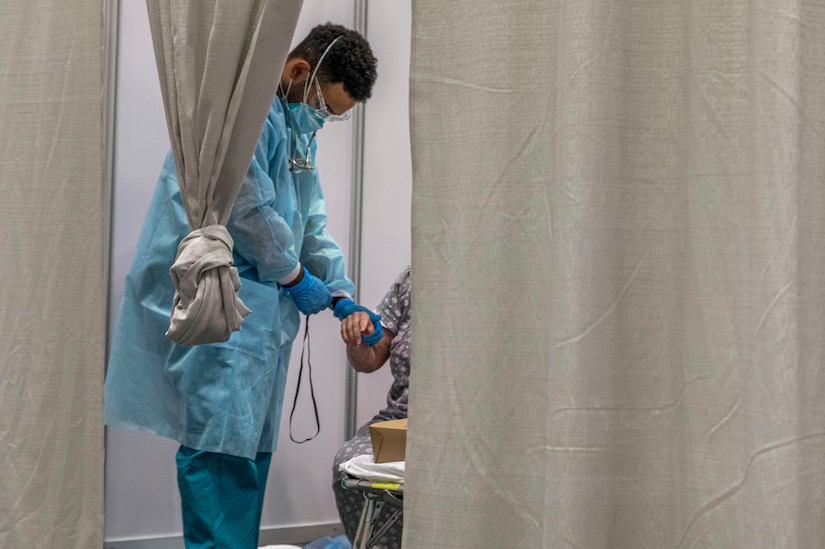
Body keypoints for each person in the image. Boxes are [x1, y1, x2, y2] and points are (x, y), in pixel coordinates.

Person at [104, 24, 379, 549]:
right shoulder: (242, 118)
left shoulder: (294, 133)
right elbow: (247, 210)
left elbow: (310, 220)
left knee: (248, 454)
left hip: (263, 318)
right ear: (299, 71)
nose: (323, 119)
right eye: (324, 107)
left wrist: (340, 291)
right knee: (218, 453)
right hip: (224, 304)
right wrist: (296, 277)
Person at [332, 266, 411, 549]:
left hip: (468, 425)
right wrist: (360, 337)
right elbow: (369, 359)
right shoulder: (412, 279)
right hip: (405, 420)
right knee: (349, 464)